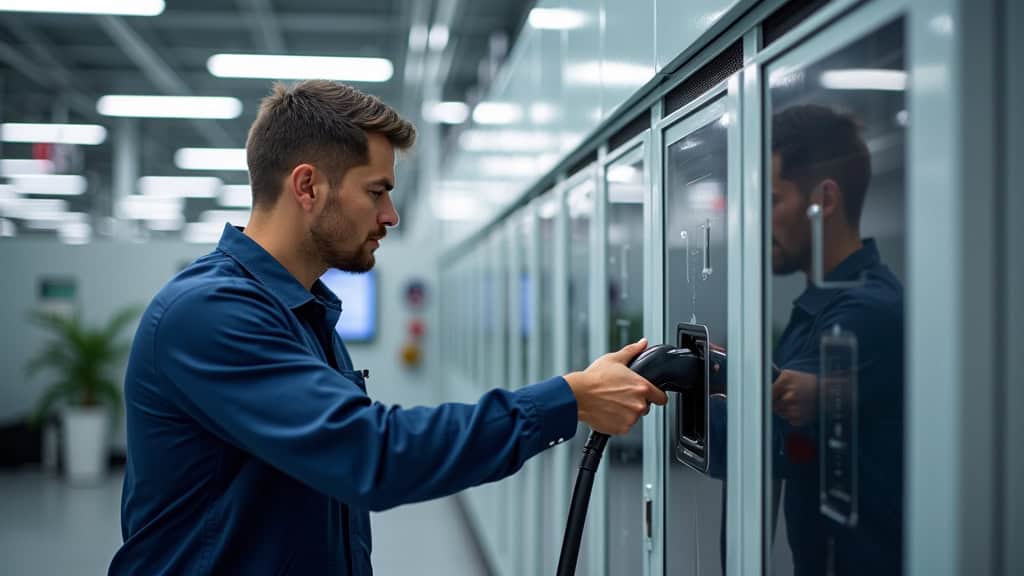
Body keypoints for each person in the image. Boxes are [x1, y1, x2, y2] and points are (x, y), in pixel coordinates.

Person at [107, 80, 668, 575]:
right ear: (307, 187)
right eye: (376, 191)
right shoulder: (211, 313)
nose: (390, 216)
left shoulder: (304, 313)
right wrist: (568, 400)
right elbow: (371, 455)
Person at [769, 104, 904, 575]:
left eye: (772, 201)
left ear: (823, 200)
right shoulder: (818, 306)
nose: (761, 223)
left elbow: (767, 437)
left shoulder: (865, 312)